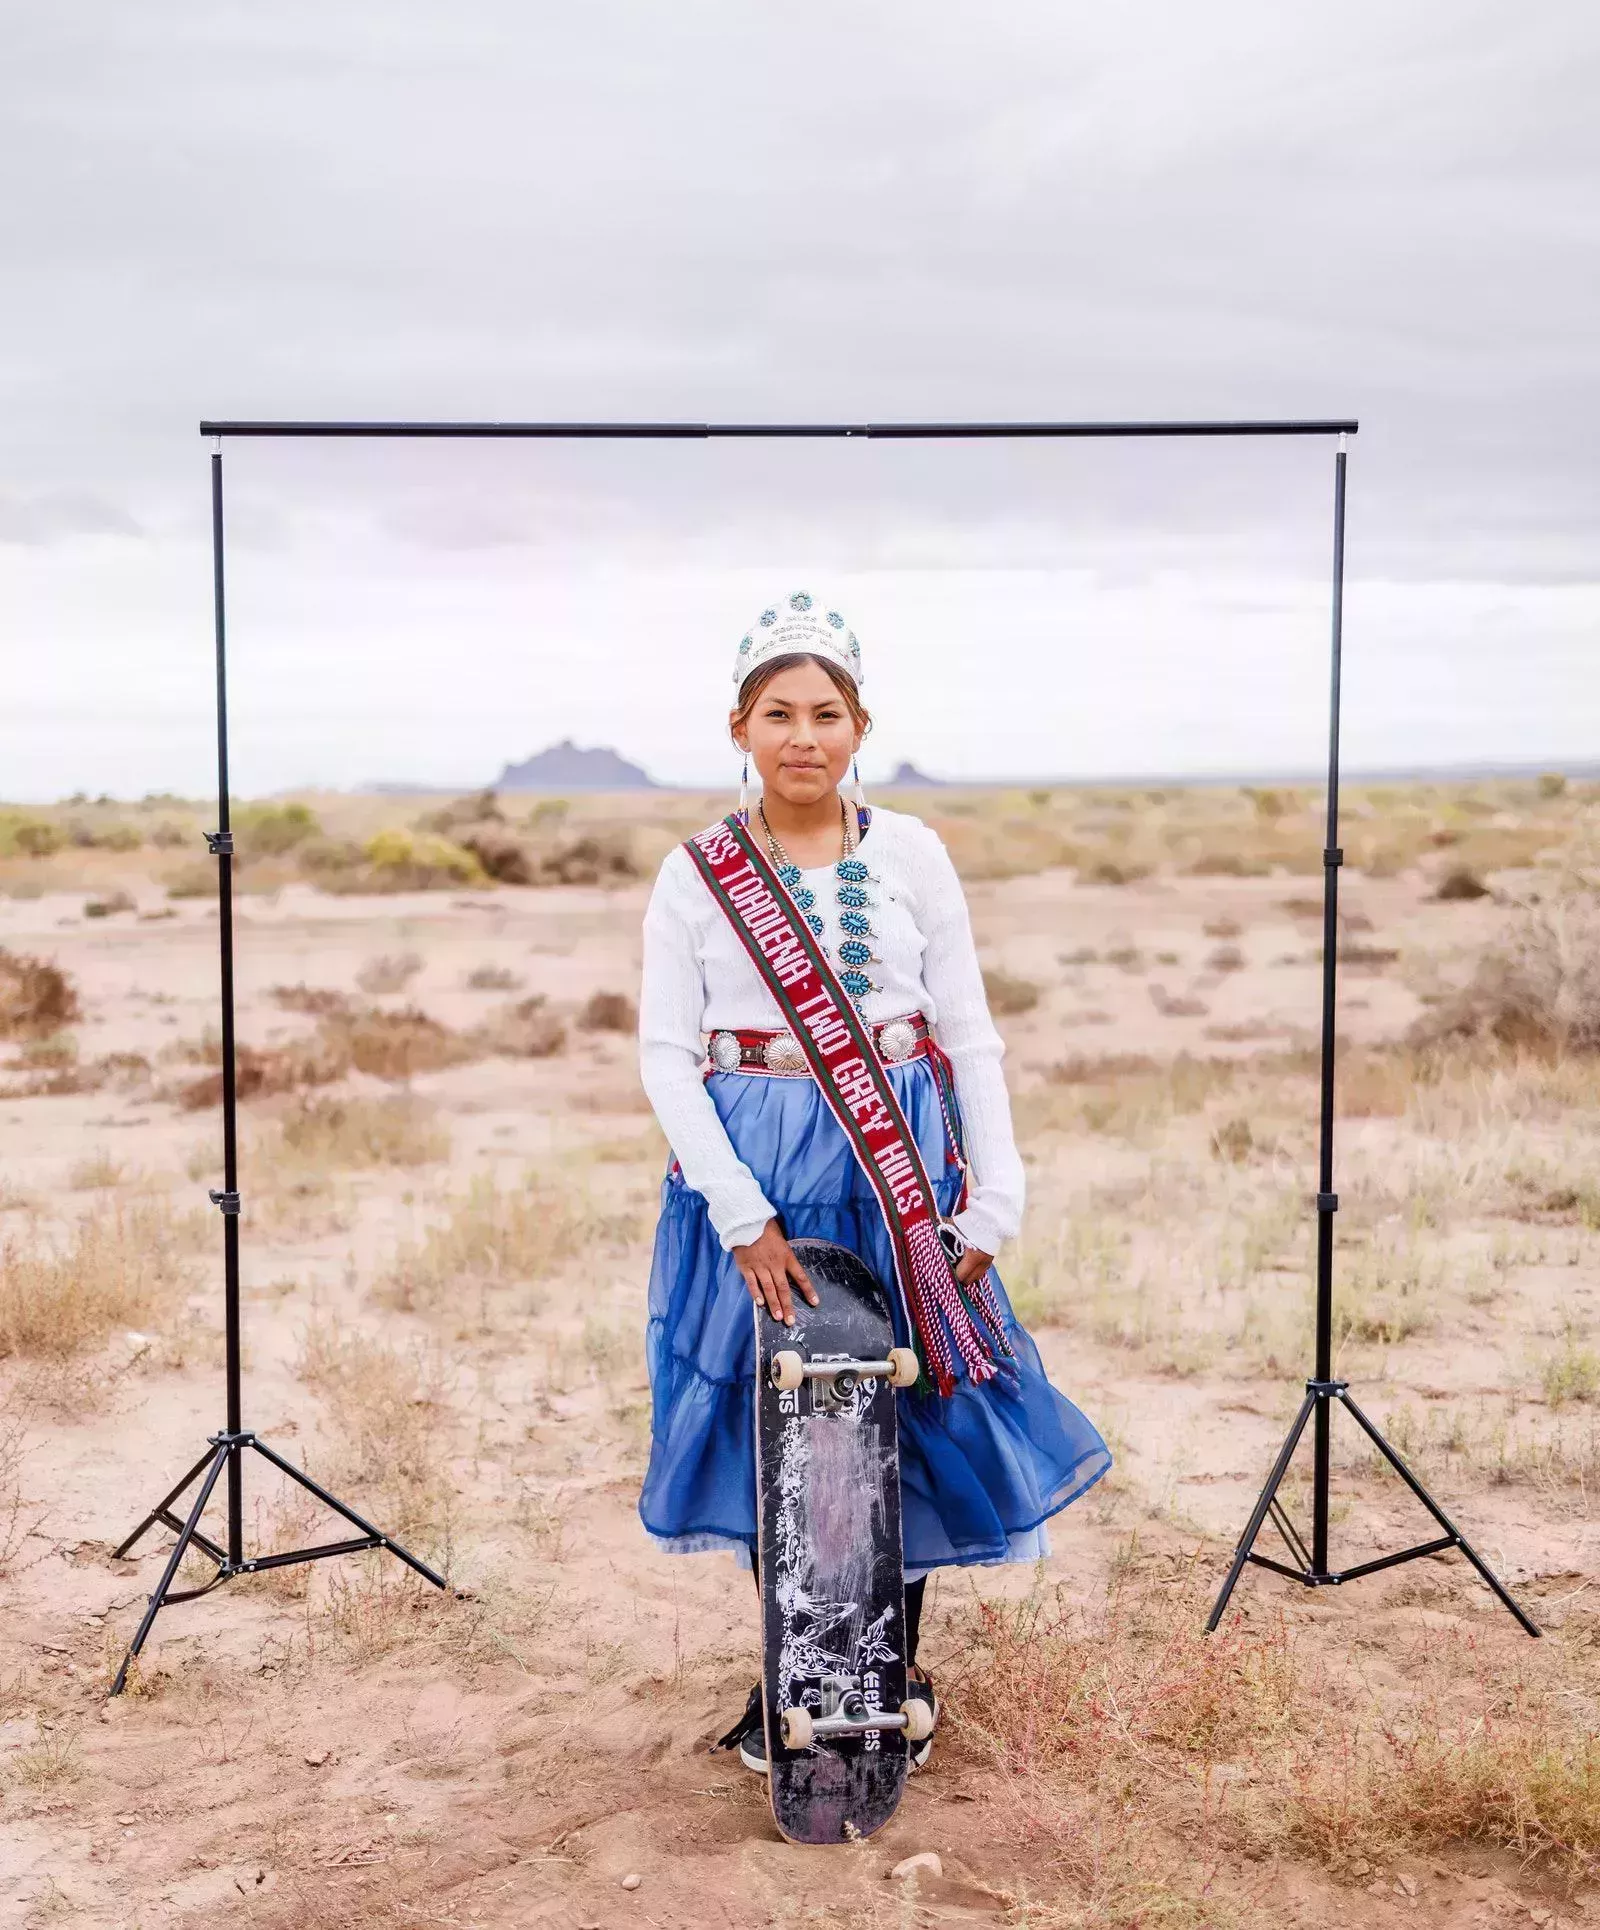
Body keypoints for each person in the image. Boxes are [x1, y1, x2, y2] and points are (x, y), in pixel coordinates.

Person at [636, 591, 1110, 1773]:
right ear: (738, 727)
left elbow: (970, 1031)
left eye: (826, 713)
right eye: (778, 713)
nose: (804, 735)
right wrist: (738, 1213)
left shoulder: (912, 853)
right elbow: (663, 1053)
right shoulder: (697, 875)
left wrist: (994, 1195)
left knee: (897, 1415)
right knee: (781, 1427)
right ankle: (798, 1670)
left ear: (860, 726)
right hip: (761, 1175)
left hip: (902, 1160)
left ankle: (885, 1669)